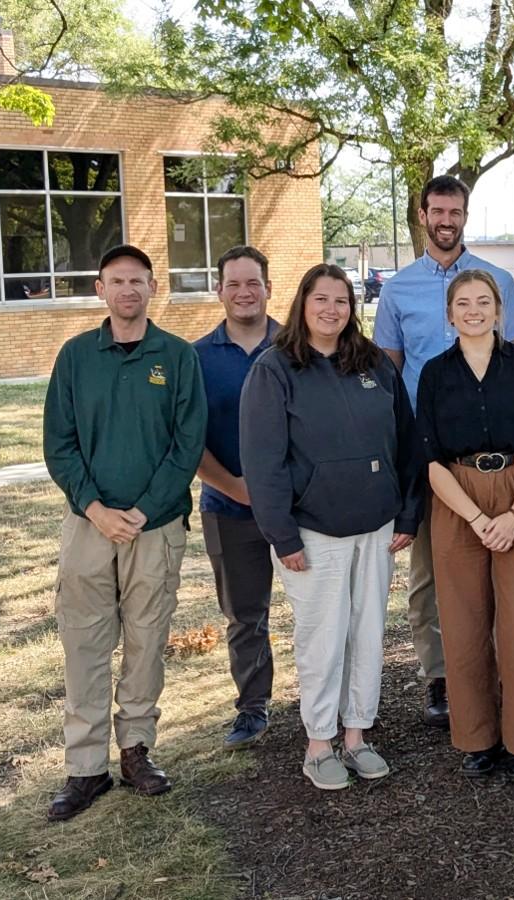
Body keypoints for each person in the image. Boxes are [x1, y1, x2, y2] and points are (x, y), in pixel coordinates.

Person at [42, 244, 208, 821]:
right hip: (89, 528)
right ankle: (86, 768)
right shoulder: (75, 357)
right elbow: (58, 445)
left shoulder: (178, 357)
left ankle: (137, 750)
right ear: (100, 289)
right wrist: (93, 508)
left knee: (145, 642)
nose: (128, 291)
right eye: (117, 281)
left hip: (155, 528)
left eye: (138, 281)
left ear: (152, 288)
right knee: (84, 645)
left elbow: (187, 445)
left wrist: (144, 509)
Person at [239, 263, 421, 790]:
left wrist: (408, 513)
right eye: (321, 299)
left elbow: (406, 443)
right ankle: (320, 743)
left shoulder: (373, 366)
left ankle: (357, 735)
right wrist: (282, 535)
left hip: (377, 528)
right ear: (303, 303)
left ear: (351, 307)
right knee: (323, 638)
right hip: (313, 533)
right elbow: (263, 460)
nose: (331, 309)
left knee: (367, 634)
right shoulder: (275, 369)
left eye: (341, 300)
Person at [373, 174, 514, 728]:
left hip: (492, 458)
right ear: (422, 215)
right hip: (427, 458)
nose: (446, 220)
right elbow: (389, 374)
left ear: (465, 215)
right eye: (437, 211)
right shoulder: (397, 291)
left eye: (455, 211)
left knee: (496, 574)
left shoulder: (498, 282)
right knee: (430, 576)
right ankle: (440, 678)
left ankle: (492, 676)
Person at [417, 269, 514, 783]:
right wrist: (475, 518)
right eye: (463, 303)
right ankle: (477, 738)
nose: (473, 310)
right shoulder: (434, 374)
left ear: (499, 311)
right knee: (463, 624)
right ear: (449, 314)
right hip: (456, 498)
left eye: (484, 302)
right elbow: (429, 458)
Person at [193, 246, 281, 751]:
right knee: (245, 615)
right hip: (228, 507)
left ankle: (329, 701)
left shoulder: (296, 347)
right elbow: (190, 441)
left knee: (320, 609)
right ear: (219, 290)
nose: (244, 293)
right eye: (234, 284)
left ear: (268, 287)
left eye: (253, 283)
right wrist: (236, 487)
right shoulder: (198, 357)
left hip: (296, 509)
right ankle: (252, 708)